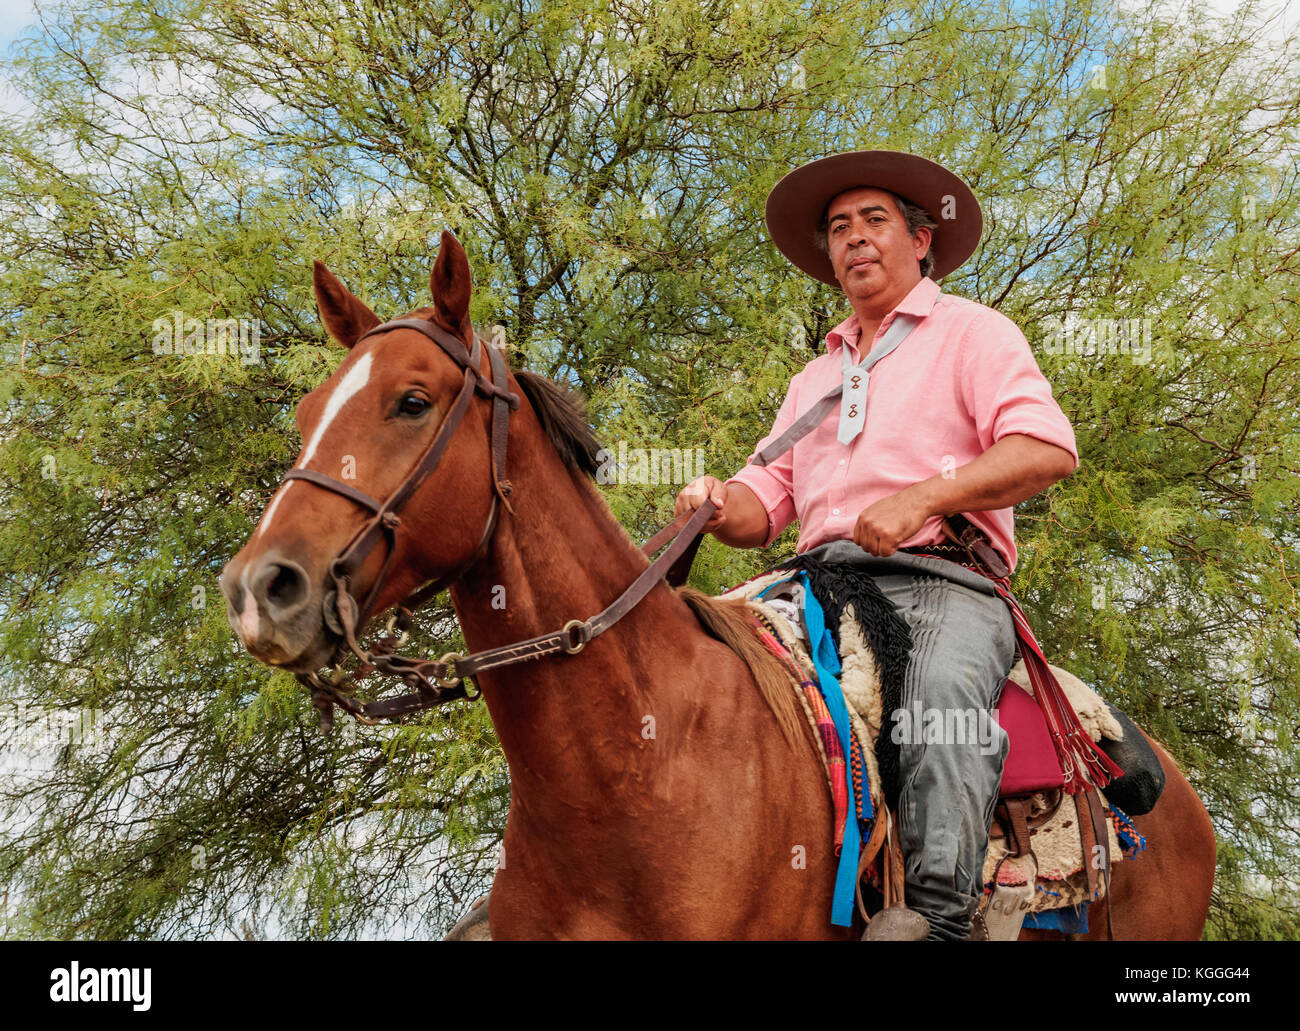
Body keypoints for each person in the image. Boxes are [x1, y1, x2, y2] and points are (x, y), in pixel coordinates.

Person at [674, 150, 1080, 940]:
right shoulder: (813, 376)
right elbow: (767, 502)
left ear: (922, 240)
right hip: (809, 580)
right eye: (838, 228)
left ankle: (938, 919)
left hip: (941, 581)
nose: (855, 238)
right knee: (672, 658)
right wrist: (718, 503)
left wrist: (924, 498)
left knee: (935, 712)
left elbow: (1045, 448)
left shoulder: (973, 332)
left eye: (874, 220)